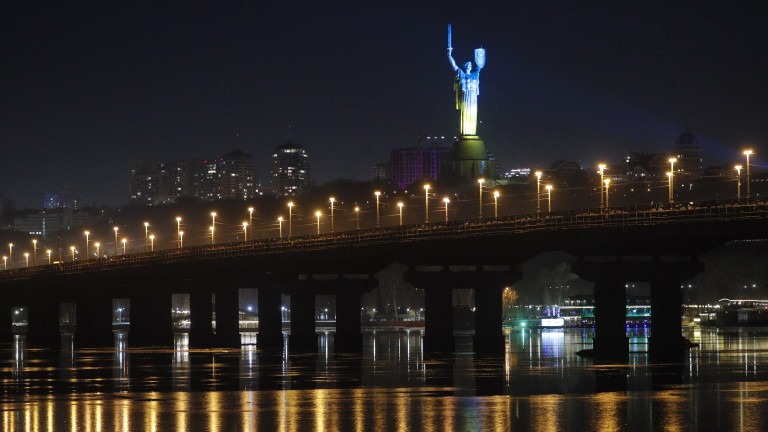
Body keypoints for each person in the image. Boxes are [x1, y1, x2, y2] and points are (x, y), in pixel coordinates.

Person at [448, 47, 484, 136]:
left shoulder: (475, 75)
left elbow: (480, 65)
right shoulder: (462, 74)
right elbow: (454, 65)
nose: (470, 66)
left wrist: (480, 55)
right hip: (465, 96)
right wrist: (449, 55)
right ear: (465, 66)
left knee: (473, 114)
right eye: (468, 65)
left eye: (471, 65)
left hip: (473, 97)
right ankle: (465, 133)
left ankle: (472, 133)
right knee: (466, 113)